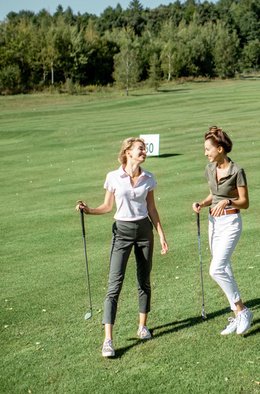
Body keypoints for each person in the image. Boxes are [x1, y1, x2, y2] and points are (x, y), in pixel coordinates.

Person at [76, 137, 168, 357]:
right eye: (140, 149)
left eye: (144, 149)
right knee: (114, 285)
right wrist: (89, 211)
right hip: (123, 233)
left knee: (143, 280)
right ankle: (108, 340)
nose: (144, 152)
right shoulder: (113, 177)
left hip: (145, 232)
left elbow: (152, 209)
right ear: (128, 152)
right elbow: (108, 206)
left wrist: (161, 235)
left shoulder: (149, 178)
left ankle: (142, 326)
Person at [192, 127, 253, 336]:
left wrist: (228, 201)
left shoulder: (237, 171)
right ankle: (236, 314)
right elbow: (213, 194)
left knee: (215, 269)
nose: (205, 153)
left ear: (220, 149)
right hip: (213, 223)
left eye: (208, 149)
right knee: (224, 268)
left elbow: (244, 202)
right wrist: (202, 203)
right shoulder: (210, 169)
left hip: (231, 223)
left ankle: (242, 310)